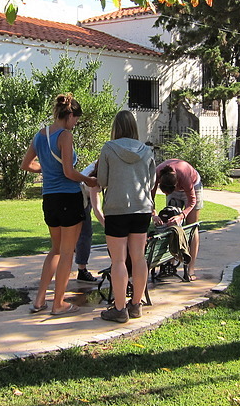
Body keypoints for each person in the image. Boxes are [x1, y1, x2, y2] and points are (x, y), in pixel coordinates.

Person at [21, 93, 98, 315]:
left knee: (54, 250)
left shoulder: (40, 135)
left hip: (50, 199)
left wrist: (46, 170)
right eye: (76, 119)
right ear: (70, 114)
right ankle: (58, 304)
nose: (75, 124)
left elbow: (26, 165)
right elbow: (69, 172)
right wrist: (88, 180)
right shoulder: (65, 136)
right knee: (67, 252)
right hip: (68, 198)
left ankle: (39, 301)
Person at [97, 110, 156, 323]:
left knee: (119, 260)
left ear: (116, 127)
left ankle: (119, 309)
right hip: (142, 210)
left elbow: (102, 180)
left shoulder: (108, 148)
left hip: (116, 209)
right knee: (139, 258)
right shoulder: (147, 151)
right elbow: (150, 183)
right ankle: (136, 304)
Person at [151, 159, 203, 279]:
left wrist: (181, 215)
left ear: (176, 185)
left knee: (192, 226)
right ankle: (170, 264)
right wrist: (154, 214)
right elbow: (150, 198)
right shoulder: (156, 174)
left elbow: (192, 201)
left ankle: (191, 269)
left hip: (193, 186)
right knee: (170, 223)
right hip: (172, 185)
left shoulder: (184, 176)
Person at [75, 161, 104, 284]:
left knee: (78, 234)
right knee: (85, 233)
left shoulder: (99, 165)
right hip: (78, 197)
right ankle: (82, 271)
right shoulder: (95, 179)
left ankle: (74, 249)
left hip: (81, 195)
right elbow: (97, 210)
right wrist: (108, 227)